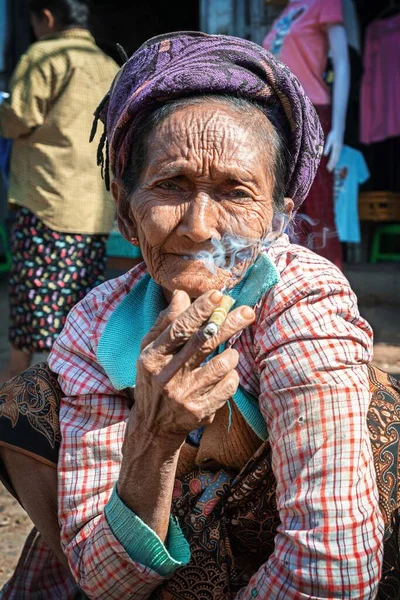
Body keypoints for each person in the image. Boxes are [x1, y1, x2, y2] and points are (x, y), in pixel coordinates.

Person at [0, 32, 386, 599]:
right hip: (162, 573)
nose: (200, 226)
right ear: (127, 216)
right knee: (26, 401)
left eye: (235, 192)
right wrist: (154, 438)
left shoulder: (299, 294)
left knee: (384, 424)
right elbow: (103, 580)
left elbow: (332, 565)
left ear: (278, 219)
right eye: (170, 186)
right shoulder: (97, 327)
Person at [0, 0, 118, 382]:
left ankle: (13, 399)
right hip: (95, 206)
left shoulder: (45, 54)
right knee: (81, 303)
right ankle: (72, 385)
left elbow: (18, 117)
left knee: (31, 304)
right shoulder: (109, 65)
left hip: (46, 200)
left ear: (46, 17)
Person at [263, 0, 350, 270]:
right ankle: (294, 282)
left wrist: (339, 127)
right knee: (286, 206)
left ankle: (332, 289)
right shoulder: (288, 11)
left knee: (319, 204)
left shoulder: (325, 3)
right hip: (280, 115)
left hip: (313, 110)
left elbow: (343, 63)